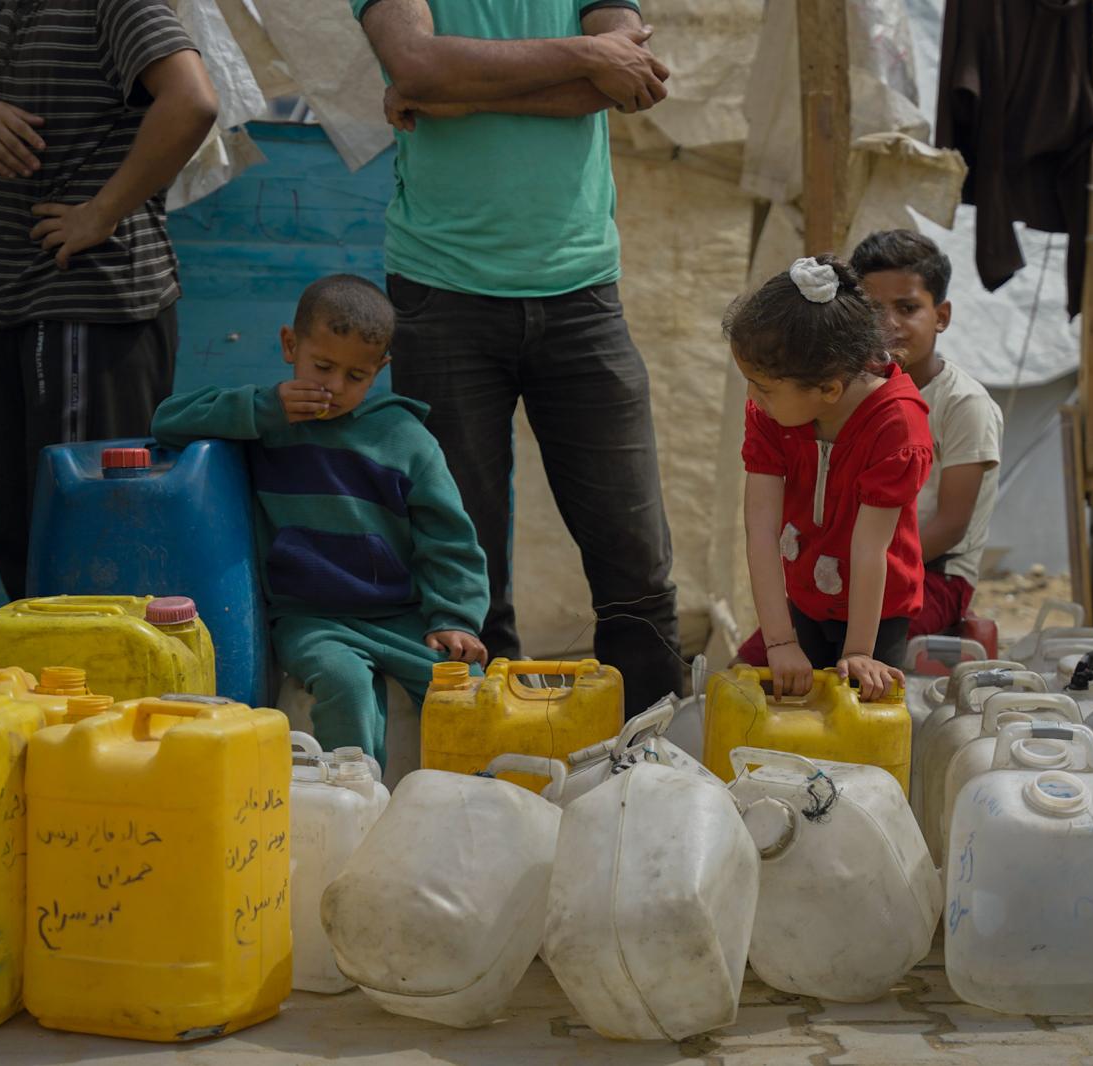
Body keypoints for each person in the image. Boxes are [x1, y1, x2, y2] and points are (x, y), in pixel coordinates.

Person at [350, 0, 682, 718]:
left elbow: (628, 82)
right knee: (460, 559)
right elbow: (416, 62)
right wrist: (586, 56)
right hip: (441, 294)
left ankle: (655, 770)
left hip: (583, 292)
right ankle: (482, 768)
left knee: (634, 555)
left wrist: (457, 91)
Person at [0, 0, 218, 601]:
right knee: (23, 533)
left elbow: (192, 100)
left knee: (83, 538)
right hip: (18, 301)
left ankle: (90, 691)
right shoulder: (7, 11)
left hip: (90, 306)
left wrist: (101, 212)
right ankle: (47, 690)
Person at [152, 275, 488, 763]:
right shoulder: (267, 422)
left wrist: (455, 618)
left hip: (401, 617)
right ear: (291, 344)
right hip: (311, 620)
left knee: (468, 690)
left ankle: (471, 799)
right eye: (323, 366)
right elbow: (167, 420)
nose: (334, 386)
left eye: (356, 376)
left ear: (380, 371)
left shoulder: (405, 437)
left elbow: (448, 538)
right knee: (344, 684)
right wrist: (264, 409)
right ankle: (354, 807)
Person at [727, 255, 932, 700]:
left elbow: (870, 547)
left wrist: (861, 650)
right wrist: (780, 641)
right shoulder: (772, 413)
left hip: (877, 612)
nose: (753, 398)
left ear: (829, 390)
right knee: (801, 714)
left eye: (763, 387)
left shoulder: (896, 424)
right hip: (804, 596)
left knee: (861, 710)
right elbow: (760, 530)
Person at [851, 230, 1001, 640]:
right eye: (873, 309)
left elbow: (951, 525)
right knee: (756, 662)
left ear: (942, 315)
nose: (889, 324)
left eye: (907, 307)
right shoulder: (850, 394)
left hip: (933, 574)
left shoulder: (963, 404)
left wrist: (860, 571)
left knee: (844, 660)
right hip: (855, 569)